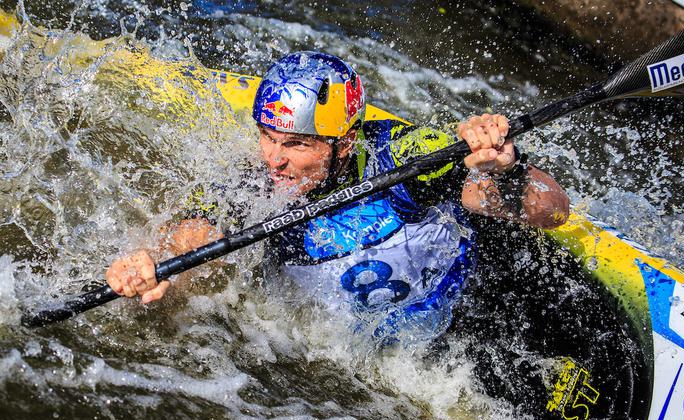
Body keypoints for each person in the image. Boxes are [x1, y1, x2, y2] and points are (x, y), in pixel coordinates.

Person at [105, 52, 569, 344]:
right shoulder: (257, 180)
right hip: (376, 350)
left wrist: (505, 167)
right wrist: (159, 261)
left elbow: (553, 211)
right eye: (268, 137)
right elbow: (198, 231)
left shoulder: (402, 154)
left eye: (296, 145)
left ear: (343, 144)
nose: (274, 160)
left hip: (473, 306)